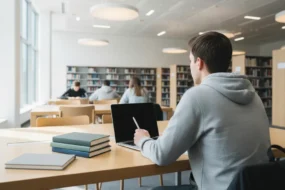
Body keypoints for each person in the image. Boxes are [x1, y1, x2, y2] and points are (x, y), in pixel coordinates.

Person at [134, 32, 270, 190]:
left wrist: (142, 140)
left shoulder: (197, 96)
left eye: (190, 61)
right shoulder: (254, 95)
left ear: (199, 63)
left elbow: (161, 155)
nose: (190, 66)